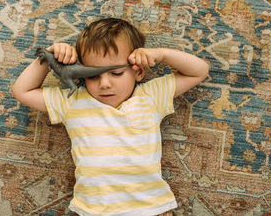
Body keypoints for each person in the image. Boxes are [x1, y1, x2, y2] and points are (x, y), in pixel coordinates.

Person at [12, 18, 209, 216]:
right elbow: (22, 91)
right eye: (92, 75)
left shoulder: (151, 96)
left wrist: (162, 54)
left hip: (150, 208)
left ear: (139, 71)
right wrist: (49, 56)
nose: (104, 84)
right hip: (93, 210)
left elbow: (199, 71)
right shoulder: (72, 101)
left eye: (116, 73)